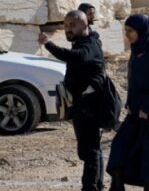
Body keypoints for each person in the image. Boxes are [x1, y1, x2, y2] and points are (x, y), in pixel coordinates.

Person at [38, 10, 105, 191]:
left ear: (84, 25)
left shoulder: (89, 45)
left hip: (89, 105)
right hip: (83, 104)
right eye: (66, 25)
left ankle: (90, 187)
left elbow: (77, 57)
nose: (68, 29)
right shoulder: (82, 41)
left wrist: (48, 44)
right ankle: (97, 184)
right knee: (91, 149)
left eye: (72, 25)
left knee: (89, 150)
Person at [107, 14, 149, 191]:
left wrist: (147, 107)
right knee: (120, 147)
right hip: (136, 112)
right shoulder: (137, 50)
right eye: (125, 31)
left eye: (130, 31)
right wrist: (131, 104)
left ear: (141, 30)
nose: (127, 35)